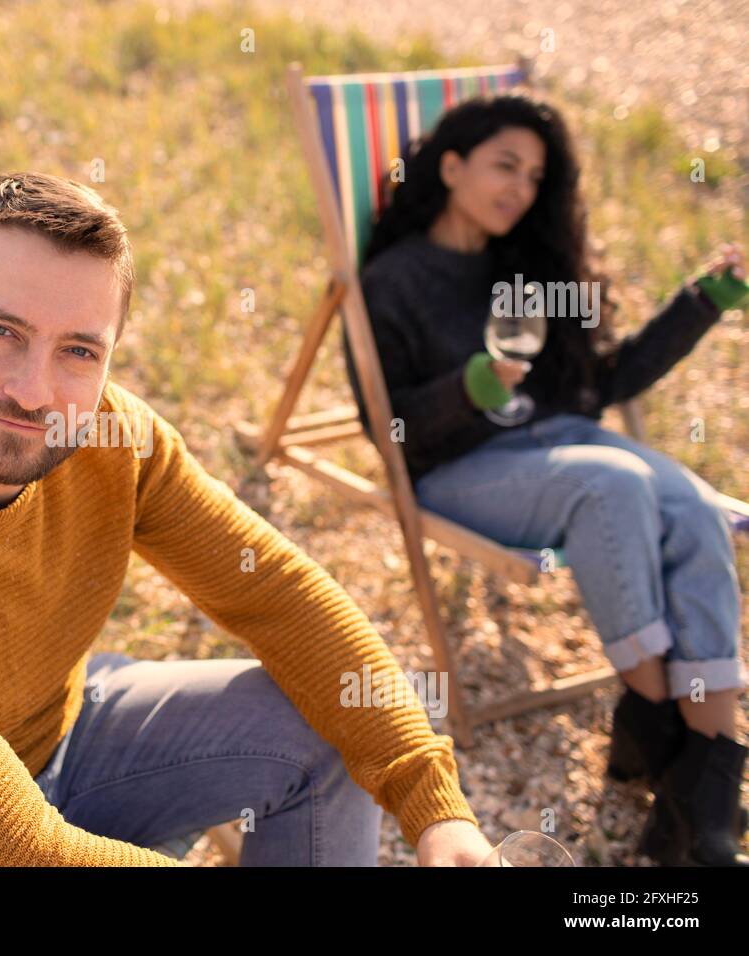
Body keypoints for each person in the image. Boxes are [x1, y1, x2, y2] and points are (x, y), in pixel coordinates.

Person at [0, 171, 492, 867]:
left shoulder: (111, 436)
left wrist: (432, 802)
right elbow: (5, 851)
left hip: (56, 740)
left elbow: (276, 592)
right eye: (1, 331)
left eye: (79, 351)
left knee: (336, 724)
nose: (34, 391)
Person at [345, 92, 749, 866]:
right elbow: (386, 426)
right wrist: (473, 387)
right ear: (453, 165)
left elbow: (600, 387)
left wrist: (700, 305)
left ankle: (704, 799)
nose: (521, 188)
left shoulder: (528, 264)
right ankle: (658, 738)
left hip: (559, 442)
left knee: (693, 502)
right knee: (612, 482)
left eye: (534, 175)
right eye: (505, 165)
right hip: (458, 469)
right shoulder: (391, 281)